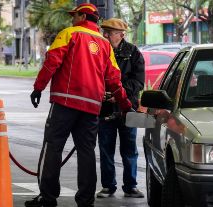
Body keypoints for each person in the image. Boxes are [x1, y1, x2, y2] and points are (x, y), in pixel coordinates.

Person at [25, 4, 133, 207]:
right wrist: (125, 105)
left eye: (75, 15)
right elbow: (114, 79)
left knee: (53, 147)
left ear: (83, 16)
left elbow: (52, 62)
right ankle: (86, 201)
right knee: (87, 152)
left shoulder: (69, 34)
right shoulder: (105, 44)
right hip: (91, 107)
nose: (72, 19)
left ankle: (48, 198)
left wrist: (38, 88)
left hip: (65, 102)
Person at [96, 18, 145, 198]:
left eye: (110, 33)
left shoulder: (133, 53)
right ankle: (108, 186)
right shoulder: (99, 51)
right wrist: (102, 93)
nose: (106, 35)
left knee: (129, 149)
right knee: (105, 148)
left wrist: (118, 93)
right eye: (105, 32)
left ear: (122, 35)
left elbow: (138, 82)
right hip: (104, 108)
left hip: (127, 108)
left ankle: (131, 185)